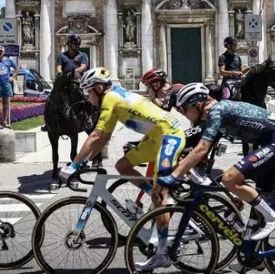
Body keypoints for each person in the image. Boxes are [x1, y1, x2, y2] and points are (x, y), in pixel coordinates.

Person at [58, 68, 187, 271]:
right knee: (122, 166)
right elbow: (104, 138)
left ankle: (162, 252)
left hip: (170, 137)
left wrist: (73, 164)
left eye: (89, 91)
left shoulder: (111, 98)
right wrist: (83, 161)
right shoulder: (115, 95)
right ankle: (158, 195)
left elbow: (96, 136)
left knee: (159, 196)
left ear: (99, 88)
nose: (87, 97)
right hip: (157, 138)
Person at [160, 83, 275, 243]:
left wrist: (174, 175)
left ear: (197, 104)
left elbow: (202, 148)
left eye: (182, 109)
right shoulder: (214, 113)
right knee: (257, 212)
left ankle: (272, 218)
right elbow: (202, 145)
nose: (183, 115)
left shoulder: (217, 111)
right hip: (269, 143)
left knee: (229, 178)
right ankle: (251, 256)